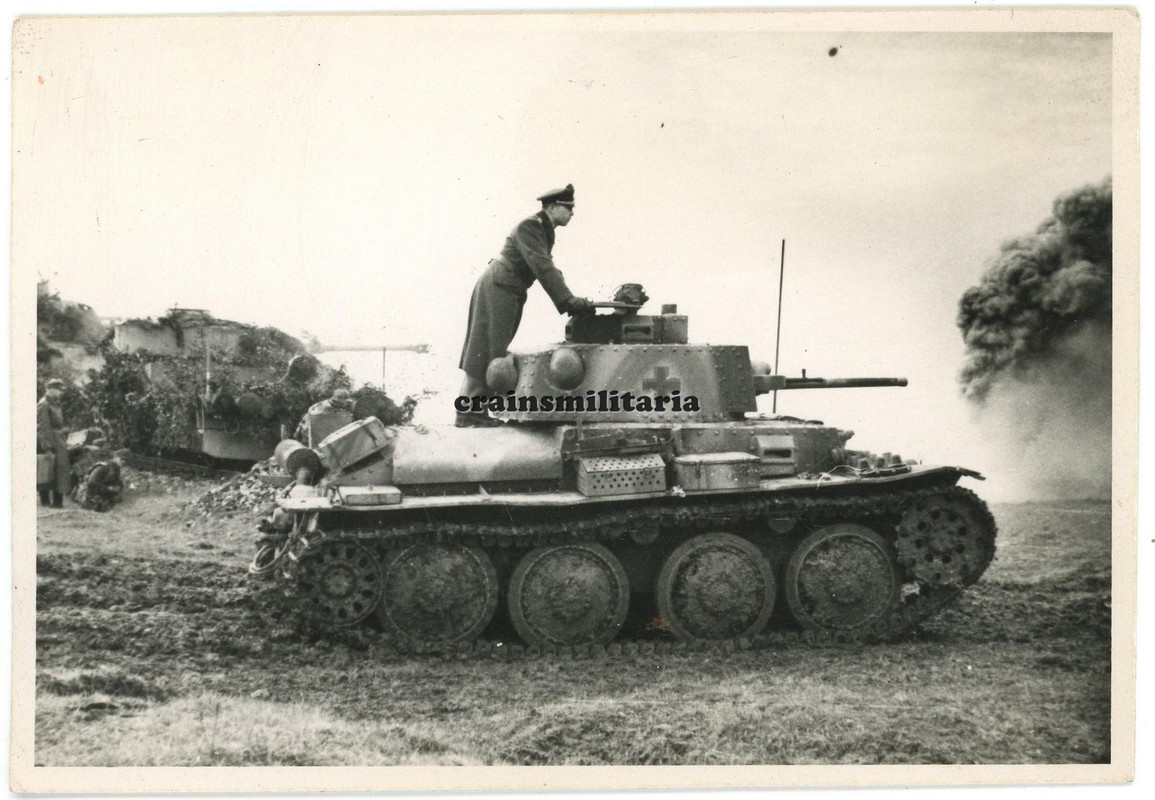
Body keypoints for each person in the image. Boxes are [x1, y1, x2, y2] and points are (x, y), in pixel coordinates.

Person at [457, 183, 593, 427]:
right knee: (488, 348)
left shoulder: (543, 230)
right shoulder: (531, 226)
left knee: (491, 347)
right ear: (552, 207)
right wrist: (568, 301)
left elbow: (547, 266)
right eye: (568, 208)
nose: (572, 213)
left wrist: (571, 298)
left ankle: (473, 410)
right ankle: (470, 412)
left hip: (509, 287)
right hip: (501, 285)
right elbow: (541, 266)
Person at [36, 378, 70, 508]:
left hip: (58, 439)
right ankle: (46, 502)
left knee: (60, 471)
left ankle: (57, 502)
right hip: (51, 441)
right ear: (51, 390)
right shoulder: (44, 404)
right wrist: (47, 447)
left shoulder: (54, 403)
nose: (61, 392)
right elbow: (43, 427)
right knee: (47, 469)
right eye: (59, 389)